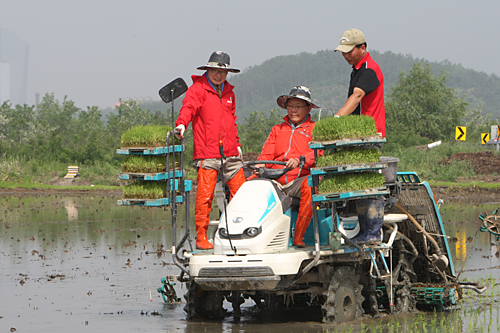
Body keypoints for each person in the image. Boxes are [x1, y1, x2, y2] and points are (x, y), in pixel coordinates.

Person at [174, 51, 246, 250]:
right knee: (204, 197)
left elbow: (232, 121)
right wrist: (182, 125)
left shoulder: (229, 93)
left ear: (227, 73)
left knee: (242, 195)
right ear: (208, 70)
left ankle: (240, 233)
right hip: (207, 153)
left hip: (230, 154)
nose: (218, 75)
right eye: (215, 70)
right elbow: (188, 108)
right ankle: (201, 238)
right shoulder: (197, 90)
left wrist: (236, 144)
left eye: (222, 72)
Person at [253, 86, 320, 247]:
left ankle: (298, 236)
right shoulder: (277, 130)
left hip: (299, 179)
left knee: (311, 185)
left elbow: (319, 153)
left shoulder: (315, 129)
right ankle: (247, 235)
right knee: (247, 184)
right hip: (275, 179)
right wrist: (261, 164)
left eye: (298, 106)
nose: (294, 110)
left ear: (308, 108)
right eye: (291, 106)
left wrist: (300, 160)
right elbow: (267, 154)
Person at [335, 28, 385, 138]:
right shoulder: (357, 69)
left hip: (369, 134)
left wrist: (337, 117)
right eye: (343, 52)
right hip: (358, 132)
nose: (346, 55)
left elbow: (357, 96)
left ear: (362, 48)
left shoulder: (369, 69)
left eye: (349, 51)